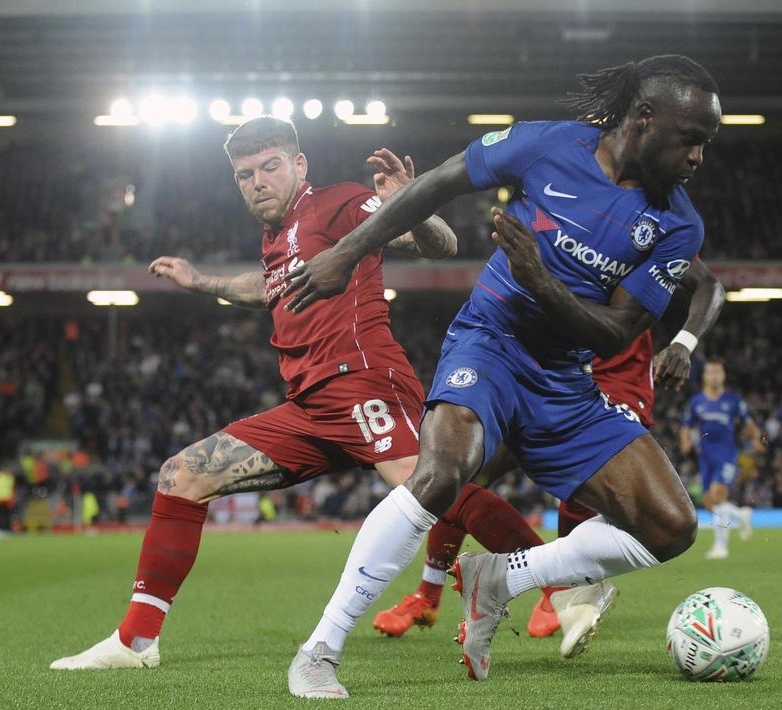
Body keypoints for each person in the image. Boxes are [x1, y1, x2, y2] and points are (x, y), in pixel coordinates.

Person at [280, 54, 720, 698]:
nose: (698, 158)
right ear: (644, 119)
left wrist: (541, 279)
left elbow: (616, 333)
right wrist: (347, 252)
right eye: (691, 139)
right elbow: (440, 182)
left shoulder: (678, 223)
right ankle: (321, 648)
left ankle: (500, 579)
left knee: (672, 527)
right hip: (488, 344)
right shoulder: (545, 144)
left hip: (567, 381)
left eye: (705, 144)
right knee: (441, 474)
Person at [49, 116, 457, 676]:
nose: (258, 181)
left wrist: (414, 201)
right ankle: (135, 641)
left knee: (436, 494)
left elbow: (439, 244)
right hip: (309, 406)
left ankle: (556, 578)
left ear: (299, 164)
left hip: (359, 383)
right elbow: (269, 287)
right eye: (245, 175)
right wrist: (202, 283)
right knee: (182, 475)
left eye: (270, 167)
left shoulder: (340, 203)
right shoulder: (280, 234)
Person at [372, 258, 724, 661]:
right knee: (457, 474)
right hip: (546, 376)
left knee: (586, 490)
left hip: (615, 383)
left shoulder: (644, 227)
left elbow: (708, 285)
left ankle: (564, 590)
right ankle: (430, 592)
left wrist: (684, 342)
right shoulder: (560, 214)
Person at [679, 359, 756, 559]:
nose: (714, 376)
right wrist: (685, 440)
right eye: (710, 372)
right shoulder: (697, 401)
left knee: (717, 496)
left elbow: (748, 421)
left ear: (723, 376)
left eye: (717, 372)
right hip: (706, 456)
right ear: (704, 376)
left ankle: (721, 547)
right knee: (710, 502)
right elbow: (687, 425)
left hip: (727, 454)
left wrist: (756, 438)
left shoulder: (732, 400)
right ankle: (741, 515)